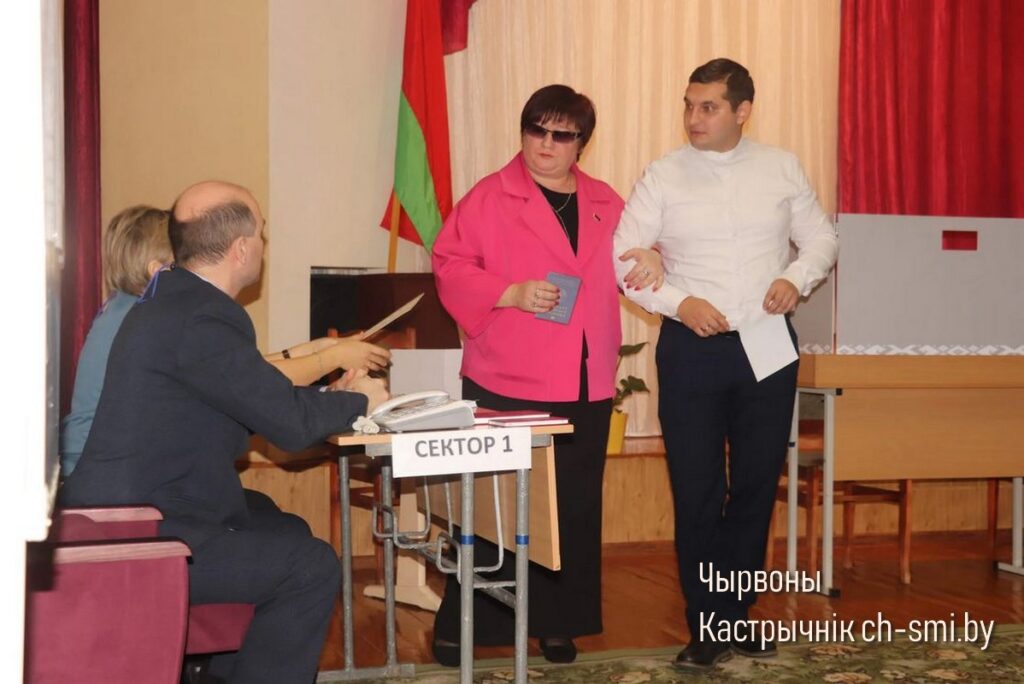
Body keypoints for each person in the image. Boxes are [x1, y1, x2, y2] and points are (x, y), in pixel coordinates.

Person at [61, 181, 389, 684]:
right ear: (240, 249)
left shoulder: (172, 301)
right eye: (261, 233)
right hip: (139, 531)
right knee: (312, 566)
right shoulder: (203, 317)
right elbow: (290, 425)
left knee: (282, 526)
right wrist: (363, 400)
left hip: (135, 510)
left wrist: (331, 397)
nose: (263, 243)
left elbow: (255, 400)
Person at [612, 58, 838, 671]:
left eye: (708, 106)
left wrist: (796, 277)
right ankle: (706, 622)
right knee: (698, 489)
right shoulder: (664, 174)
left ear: (742, 111)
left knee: (758, 485)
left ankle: (736, 615)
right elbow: (624, 258)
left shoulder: (781, 166)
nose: (694, 117)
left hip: (767, 344)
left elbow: (822, 238)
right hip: (693, 347)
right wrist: (678, 302)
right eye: (689, 105)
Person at [430, 84, 664, 665]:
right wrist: (507, 292)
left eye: (562, 135)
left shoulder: (607, 201)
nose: (545, 144)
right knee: (495, 508)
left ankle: (560, 623)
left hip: (585, 380)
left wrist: (655, 257)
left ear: (582, 143)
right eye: (536, 129)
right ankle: (466, 622)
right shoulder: (489, 196)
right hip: (507, 377)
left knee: (573, 509)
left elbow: (637, 262)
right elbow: (449, 265)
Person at [60, 207, 390, 477]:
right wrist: (332, 358)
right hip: (111, 475)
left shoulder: (130, 310)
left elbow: (236, 373)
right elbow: (247, 384)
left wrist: (314, 350)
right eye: (182, 264)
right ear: (157, 270)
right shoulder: (152, 318)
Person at [60, 206, 173, 475]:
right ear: (157, 270)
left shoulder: (119, 307)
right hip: (98, 465)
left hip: (85, 458)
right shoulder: (142, 319)